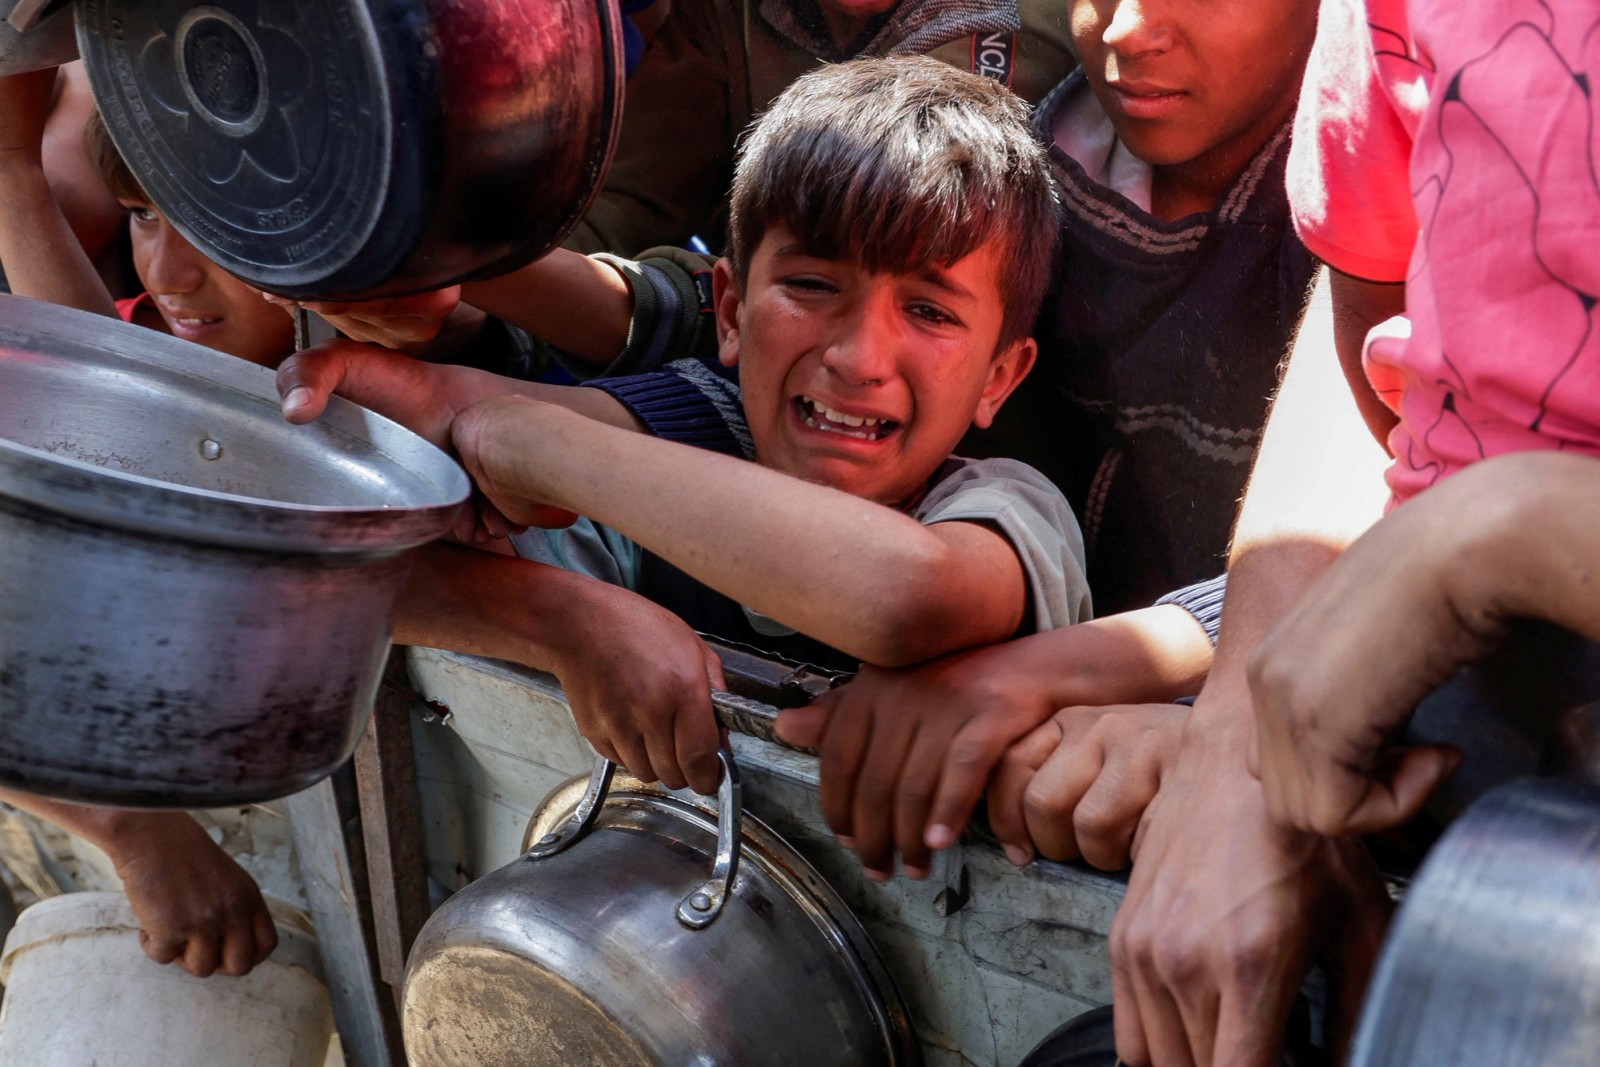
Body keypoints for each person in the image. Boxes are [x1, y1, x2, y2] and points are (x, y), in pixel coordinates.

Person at [278, 56, 1094, 802]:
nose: (858, 357)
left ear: (1000, 375)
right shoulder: (675, 444)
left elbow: (906, 599)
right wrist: (563, 620)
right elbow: (310, 561)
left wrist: (516, 437)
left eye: (929, 311)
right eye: (812, 285)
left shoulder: (1006, 510)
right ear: (730, 313)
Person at [1106, 0, 1600, 1062]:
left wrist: (1500, 529)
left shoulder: (1470, 545)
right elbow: (1386, 317)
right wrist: (1240, 738)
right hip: (1448, 704)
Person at [774, 0, 1324, 883]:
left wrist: (1048, 674)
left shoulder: (1375, 211)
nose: (1128, 30)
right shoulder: (1009, 135)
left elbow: (1389, 525)